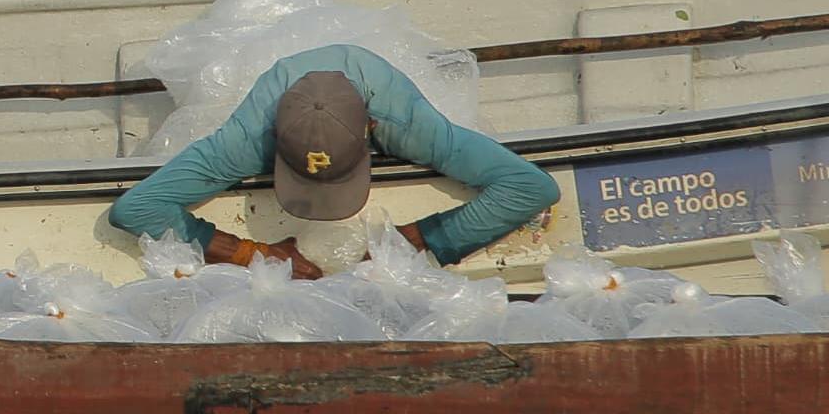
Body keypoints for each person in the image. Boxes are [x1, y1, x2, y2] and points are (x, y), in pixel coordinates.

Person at [105, 45, 557, 274]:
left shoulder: (403, 121)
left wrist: (412, 240)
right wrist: (253, 253)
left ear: (372, 133)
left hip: (375, 84)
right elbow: (135, 208)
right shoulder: (246, 138)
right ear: (277, 145)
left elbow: (531, 188)